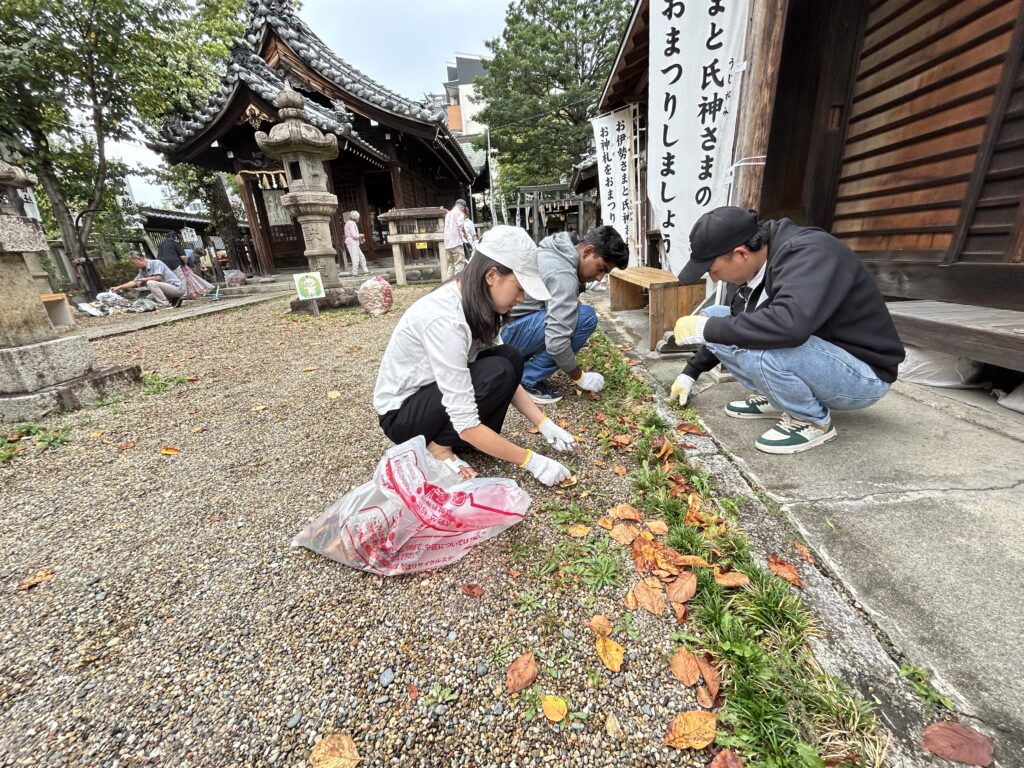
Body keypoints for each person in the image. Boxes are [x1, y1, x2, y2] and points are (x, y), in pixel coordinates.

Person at [670, 206, 905, 455]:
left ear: (740, 254)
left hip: (864, 373)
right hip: (822, 355)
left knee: (761, 347)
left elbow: (789, 327)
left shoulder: (810, 253)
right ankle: (780, 397)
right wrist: (691, 371)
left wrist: (707, 329)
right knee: (716, 315)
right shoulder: (758, 264)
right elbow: (735, 322)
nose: (715, 279)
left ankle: (811, 420)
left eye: (713, 271)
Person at [374, 225, 575, 486]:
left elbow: (508, 379)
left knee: (509, 358)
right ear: (492, 275)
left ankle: (466, 441)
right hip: (403, 415)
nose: (523, 297)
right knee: (498, 370)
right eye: (520, 286)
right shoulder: (445, 319)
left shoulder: (479, 303)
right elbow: (466, 418)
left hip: (433, 396)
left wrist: (544, 422)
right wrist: (531, 460)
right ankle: (439, 448)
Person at [502, 225, 629, 404]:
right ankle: (527, 379)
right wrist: (579, 376)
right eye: (601, 268)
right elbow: (556, 341)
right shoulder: (563, 274)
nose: (600, 277)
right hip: (503, 337)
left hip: (499, 330)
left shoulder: (555, 250)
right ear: (587, 251)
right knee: (585, 317)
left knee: (570, 314)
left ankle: (519, 367)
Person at [110, 251, 186, 308]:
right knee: (149, 299)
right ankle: (175, 300)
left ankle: (164, 304)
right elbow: (134, 282)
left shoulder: (156, 263)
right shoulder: (142, 270)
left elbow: (158, 278)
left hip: (177, 288)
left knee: (151, 282)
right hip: (167, 290)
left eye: (133, 262)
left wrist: (144, 279)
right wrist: (119, 287)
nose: (134, 265)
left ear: (140, 259)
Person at [443, 198, 469, 279]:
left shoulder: (448, 214)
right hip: (456, 242)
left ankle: (447, 284)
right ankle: (456, 283)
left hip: (448, 244)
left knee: (451, 264)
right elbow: (459, 227)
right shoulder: (459, 214)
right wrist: (464, 237)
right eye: (463, 207)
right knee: (459, 263)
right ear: (462, 206)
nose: (463, 209)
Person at [344, 211, 368, 276]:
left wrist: (360, 235)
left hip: (354, 243)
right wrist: (361, 235)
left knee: (361, 257)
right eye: (358, 218)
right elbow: (354, 235)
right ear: (356, 218)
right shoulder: (351, 224)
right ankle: (355, 272)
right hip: (352, 243)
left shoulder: (351, 223)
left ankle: (365, 270)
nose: (359, 219)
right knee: (355, 258)